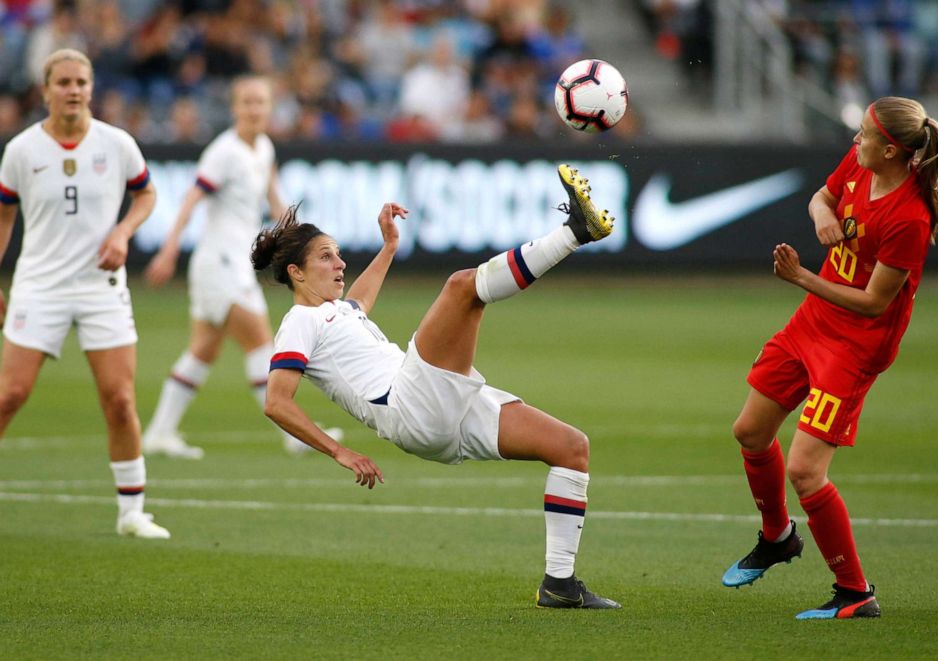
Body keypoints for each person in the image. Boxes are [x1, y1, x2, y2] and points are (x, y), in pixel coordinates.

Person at [252, 165, 621, 609]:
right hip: (409, 405)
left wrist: (389, 246)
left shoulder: (337, 312)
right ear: (296, 272)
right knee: (462, 287)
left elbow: (360, 301)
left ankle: (559, 585)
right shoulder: (300, 321)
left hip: (439, 412)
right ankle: (574, 233)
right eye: (327, 257)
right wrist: (338, 450)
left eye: (338, 254)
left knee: (570, 447)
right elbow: (276, 402)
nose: (341, 263)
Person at [721, 96, 938, 619]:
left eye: (866, 136)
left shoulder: (909, 219)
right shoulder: (861, 163)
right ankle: (778, 536)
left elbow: (875, 304)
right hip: (813, 321)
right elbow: (820, 198)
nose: (856, 142)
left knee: (806, 471)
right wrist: (824, 217)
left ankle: (855, 592)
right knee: (751, 431)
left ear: (892, 150)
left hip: (854, 347)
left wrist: (804, 276)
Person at [0, 49, 169, 539]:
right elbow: (5, 214)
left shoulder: (116, 144)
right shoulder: (22, 150)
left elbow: (147, 194)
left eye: (81, 81)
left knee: (118, 399)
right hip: (40, 285)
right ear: (46, 89)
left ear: (91, 88)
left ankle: (132, 513)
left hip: (101, 286)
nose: (73, 90)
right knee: (10, 395)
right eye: (63, 82)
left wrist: (123, 233)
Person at [143, 75, 341, 458]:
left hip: (231, 263)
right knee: (259, 340)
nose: (254, 109)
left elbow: (274, 201)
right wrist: (168, 250)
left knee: (203, 349)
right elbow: (191, 199)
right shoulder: (224, 152)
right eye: (247, 102)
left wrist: (305, 241)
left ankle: (159, 432)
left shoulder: (263, 148)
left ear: (269, 108)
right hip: (219, 262)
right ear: (234, 108)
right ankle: (293, 434)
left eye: (260, 103)